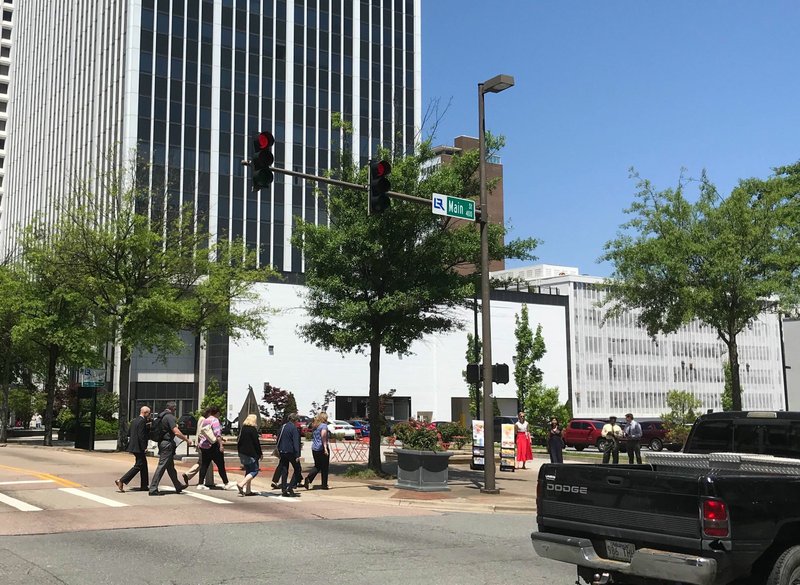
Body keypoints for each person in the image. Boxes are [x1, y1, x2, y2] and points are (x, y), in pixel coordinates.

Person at [149, 401, 193, 496]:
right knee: (161, 466)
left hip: (163, 443)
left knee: (170, 468)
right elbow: (176, 431)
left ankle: (178, 485)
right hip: (167, 444)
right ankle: (153, 488)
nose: (175, 410)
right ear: (173, 408)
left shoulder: (161, 416)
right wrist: (186, 439)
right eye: (175, 408)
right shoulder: (170, 417)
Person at [196, 406, 237, 491]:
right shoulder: (215, 420)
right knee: (220, 464)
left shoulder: (206, 420)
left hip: (204, 445)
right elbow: (217, 434)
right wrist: (221, 445)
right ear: (217, 413)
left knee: (204, 464)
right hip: (213, 445)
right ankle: (226, 483)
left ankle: (200, 483)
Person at [116, 406, 151, 492]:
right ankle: (122, 480)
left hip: (133, 446)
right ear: (145, 413)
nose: (149, 415)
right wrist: (144, 447)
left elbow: (129, 433)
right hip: (139, 447)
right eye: (149, 413)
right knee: (139, 465)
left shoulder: (134, 420)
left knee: (144, 465)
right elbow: (141, 435)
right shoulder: (142, 421)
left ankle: (144, 485)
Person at [234, 414, 262, 496]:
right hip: (251, 453)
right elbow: (256, 443)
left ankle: (248, 490)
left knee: (248, 471)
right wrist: (260, 453)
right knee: (254, 471)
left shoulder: (243, 429)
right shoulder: (253, 430)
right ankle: (241, 484)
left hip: (242, 452)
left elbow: (239, 441)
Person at [276, 414, 302, 497]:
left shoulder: (283, 427)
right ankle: (290, 487)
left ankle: (284, 489)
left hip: (282, 451)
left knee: (284, 470)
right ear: (295, 420)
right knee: (297, 469)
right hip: (291, 451)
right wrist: (297, 454)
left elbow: (278, 438)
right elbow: (296, 442)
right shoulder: (294, 429)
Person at [303, 412, 330, 490]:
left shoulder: (315, 426)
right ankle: (324, 484)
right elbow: (323, 436)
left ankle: (308, 478)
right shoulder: (324, 426)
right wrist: (325, 448)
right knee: (325, 467)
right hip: (321, 448)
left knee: (317, 465)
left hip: (314, 448)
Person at [182, 414, 207, 487]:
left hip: (200, 444)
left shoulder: (200, 419)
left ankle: (189, 475)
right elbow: (200, 432)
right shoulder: (203, 420)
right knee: (204, 462)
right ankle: (202, 480)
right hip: (202, 444)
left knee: (201, 462)